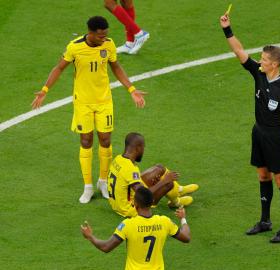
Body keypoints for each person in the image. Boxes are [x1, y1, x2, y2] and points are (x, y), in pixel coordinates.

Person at [31, 16, 147, 204]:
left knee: (106, 139)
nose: (104, 38)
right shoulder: (75, 47)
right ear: (91, 33)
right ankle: (88, 186)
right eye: (101, 36)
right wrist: (44, 91)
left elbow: (116, 67)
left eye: (106, 35)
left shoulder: (108, 45)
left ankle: (102, 182)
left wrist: (131, 89)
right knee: (86, 140)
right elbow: (59, 68)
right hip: (83, 102)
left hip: (104, 101)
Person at [219, 12, 280, 243]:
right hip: (258, 132)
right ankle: (265, 221)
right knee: (262, 175)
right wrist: (227, 29)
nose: (260, 61)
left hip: (276, 137)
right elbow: (239, 51)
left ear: (274, 64)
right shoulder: (258, 73)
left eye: (264, 59)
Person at [81, 186, 191, 270]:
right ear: (152, 202)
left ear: (135, 203)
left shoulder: (128, 225)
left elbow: (106, 247)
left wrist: (90, 237)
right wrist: (183, 219)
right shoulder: (164, 221)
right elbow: (186, 237)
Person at [108, 132, 199, 217]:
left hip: (117, 204)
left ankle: (179, 190)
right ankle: (176, 202)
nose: (143, 150)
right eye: (143, 147)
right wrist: (163, 181)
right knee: (168, 184)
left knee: (159, 168)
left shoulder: (118, 159)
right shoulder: (130, 169)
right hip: (130, 209)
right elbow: (142, 194)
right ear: (138, 148)